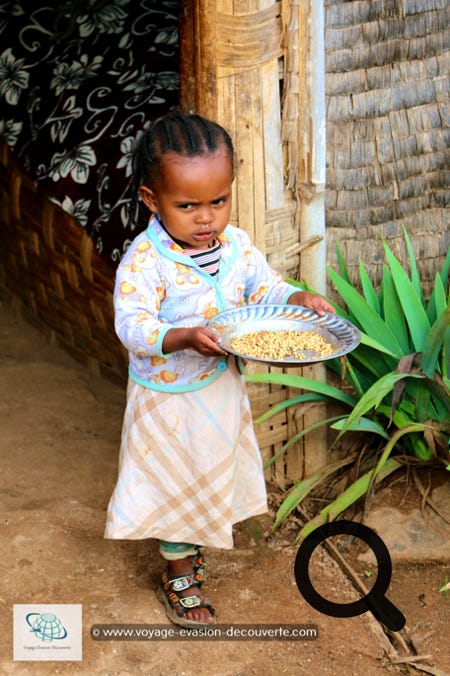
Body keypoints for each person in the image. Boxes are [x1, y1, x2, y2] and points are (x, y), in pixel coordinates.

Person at [104, 112, 335, 628]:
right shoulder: (146, 261)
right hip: (166, 398)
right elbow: (133, 325)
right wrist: (182, 336)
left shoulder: (235, 247)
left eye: (218, 200)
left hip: (218, 388)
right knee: (174, 481)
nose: (206, 217)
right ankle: (178, 572)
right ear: (150, 200)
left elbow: (264, 286)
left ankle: (188, 545)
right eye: (187, 206)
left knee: (209, 467)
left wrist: (296, 297)